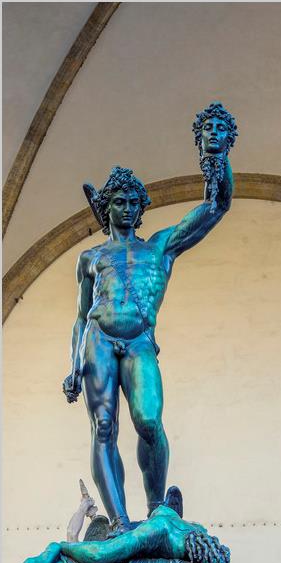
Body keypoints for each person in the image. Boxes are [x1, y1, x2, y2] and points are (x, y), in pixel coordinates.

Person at [62, 103, 238, 534]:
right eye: (117, 201)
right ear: (106, 208)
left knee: (148, 421)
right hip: (98, 339)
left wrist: (216, 157)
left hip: (140, 339)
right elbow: (81, 316)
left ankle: (158, 505)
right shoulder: (91, 257)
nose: (125, 207)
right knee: (103, 425)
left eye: (132, 201)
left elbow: (215, 207)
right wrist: (71, 365)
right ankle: (120, 520)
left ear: (141, 207)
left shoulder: (159, 248)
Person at [19, 502, 230, 563]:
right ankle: (57, 546)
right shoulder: (157, 532)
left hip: (155, 522)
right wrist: (62, 547)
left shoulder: (204, 537)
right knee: (98, 555)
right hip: (139, 538)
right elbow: (100, 554)